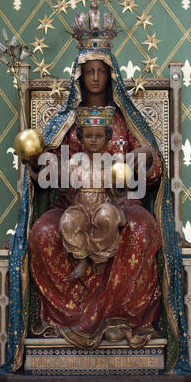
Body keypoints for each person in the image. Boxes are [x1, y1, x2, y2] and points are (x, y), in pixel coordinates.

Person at [1, 0, 191, 377]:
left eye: (100, 70)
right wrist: (37, 158)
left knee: (141, 230)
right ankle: (62, 322)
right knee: (42, 233)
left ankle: (124, 319)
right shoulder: (64, 120)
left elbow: (152, 170)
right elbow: (47, 173)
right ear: (78, 74)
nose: (93, 76)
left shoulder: (127, 118)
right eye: (87, 69)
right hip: (71, 203)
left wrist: (143, 160)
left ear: (111, 74)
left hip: (121, 203)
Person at [59, 107, 127, 279]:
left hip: (103, 204)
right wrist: (62, 177)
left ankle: (99, 256)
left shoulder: (112, 162)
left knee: (107, 217)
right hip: (80, 206)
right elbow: (66, 188)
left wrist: (120, 178)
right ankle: (81, 258)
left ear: (107, 138)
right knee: (68, 221)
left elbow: (118, 190)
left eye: (99, 136)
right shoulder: (75, 161)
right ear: (81, 138)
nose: (94, 141)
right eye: (89, 136)